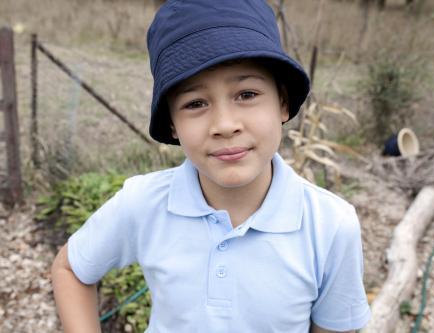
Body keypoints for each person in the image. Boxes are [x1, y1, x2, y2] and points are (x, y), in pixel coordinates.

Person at [51, 0, 371, 332]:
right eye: (195, 103)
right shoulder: (144, 203)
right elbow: (71, 269)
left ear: (283, 103)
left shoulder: (330, 226)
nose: (224, 124)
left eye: (246, 94)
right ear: (173, 124)